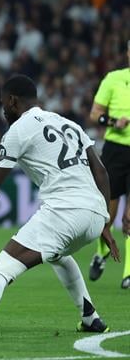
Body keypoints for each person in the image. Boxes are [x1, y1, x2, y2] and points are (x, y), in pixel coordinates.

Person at [0, 75, 119, 340]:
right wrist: (106, 222)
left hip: (64, 212)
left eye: (3, 103)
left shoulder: (18, 131)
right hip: (95, 213)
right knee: (58, 255)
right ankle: (90, 318)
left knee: (0, 269)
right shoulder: (68, 123)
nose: (3, 109)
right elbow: (101, 171)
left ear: (13, 101)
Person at [87, 39, 130, 289]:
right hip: (115, 150)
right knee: (108, 214)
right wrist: (114, 122)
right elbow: (94, 114)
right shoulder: (113, 79)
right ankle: (101, 253)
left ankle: (127, 273)